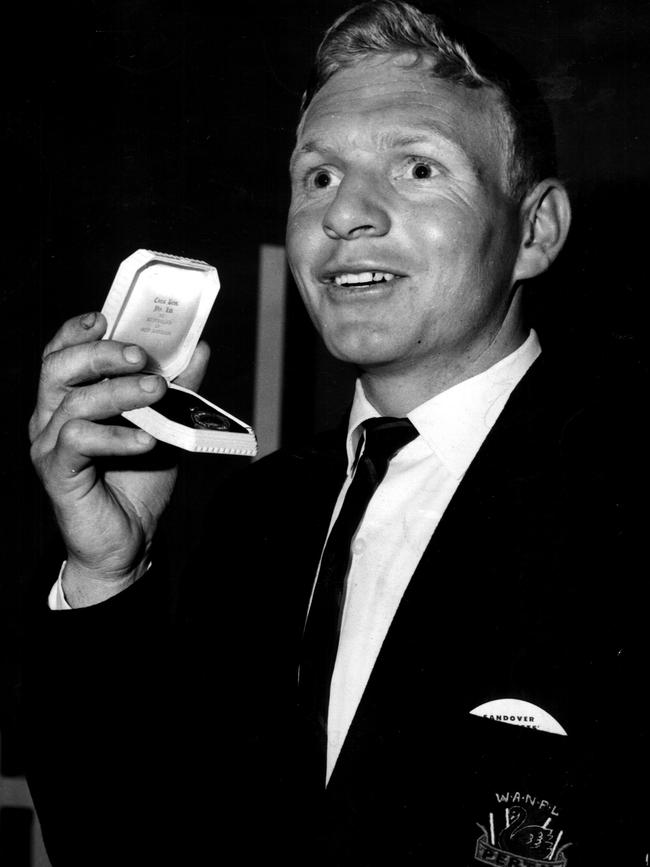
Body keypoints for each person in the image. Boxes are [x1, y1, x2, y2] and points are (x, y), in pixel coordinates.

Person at [24, 2, 646, 865]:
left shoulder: (634, 497)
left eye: (417, 168)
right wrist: (106, 570)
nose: (345, 213)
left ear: (533, 230)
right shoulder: (254, 515)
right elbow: (123, 847)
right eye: (317, 177)